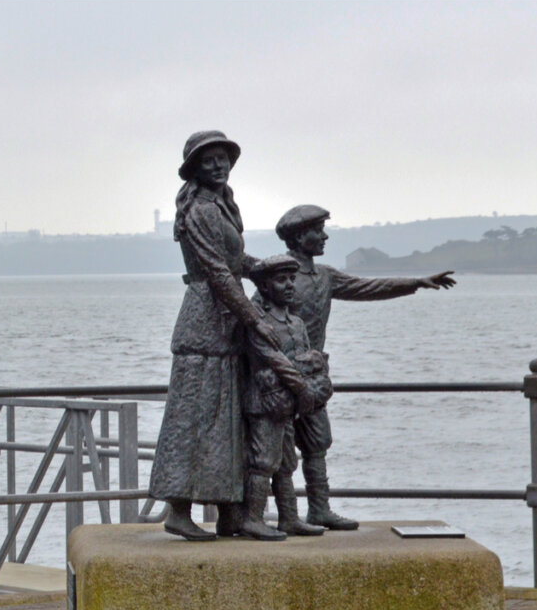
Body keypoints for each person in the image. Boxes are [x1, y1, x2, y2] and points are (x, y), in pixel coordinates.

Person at [149, 131, 311, 541]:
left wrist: (271, 270)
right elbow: (219, 273)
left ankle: (231, 512)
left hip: (225, 322)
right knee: (195, 417)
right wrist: (254, 318)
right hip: (205, 322)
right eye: (209, 160)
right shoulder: (201, 210)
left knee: (226, 421)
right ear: (195, 169)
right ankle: (178, 509)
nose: (218, 165)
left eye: (223, 158)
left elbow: (236, 262)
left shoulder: (221, 206)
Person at [277, 204, 456, 529]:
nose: (325, 236)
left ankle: (319, 510)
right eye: (318, 230)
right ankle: (287, 516)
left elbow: (367, 287)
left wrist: (415, 282)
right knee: (280, 448)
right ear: (300, 237)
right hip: (278, 374)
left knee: (317, 443)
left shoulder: (325, 276)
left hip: (313, 375)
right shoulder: (279, 275)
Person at [242, 255, 331, 537]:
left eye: (292, 279)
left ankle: (289, 518)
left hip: (288, 405)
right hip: (265, 403)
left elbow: (305, 359)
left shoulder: (297, 322)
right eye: (282, 280)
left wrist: (312, 378)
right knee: (264, 462)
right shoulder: (259, 323)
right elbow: (272, 361)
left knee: (286, 464)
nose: (290, 285)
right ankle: (252, 518)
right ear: (264, 287)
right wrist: (302, 386)